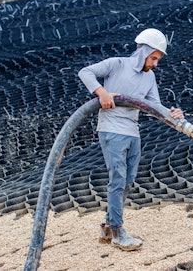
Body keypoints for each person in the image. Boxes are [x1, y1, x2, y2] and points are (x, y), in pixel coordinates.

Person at [78, 28, 184, 251]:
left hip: (132, 131)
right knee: (117, 178)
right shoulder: (117, 64)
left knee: (128, 180)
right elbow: (85, 72)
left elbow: (155, 107)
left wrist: (172, 114)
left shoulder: (150, 77)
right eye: (153, 58)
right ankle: (117, 232)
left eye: (158, 59)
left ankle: (108, 226)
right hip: (112, 129)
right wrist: (102, 93)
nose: (155, 63)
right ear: (143, 51)